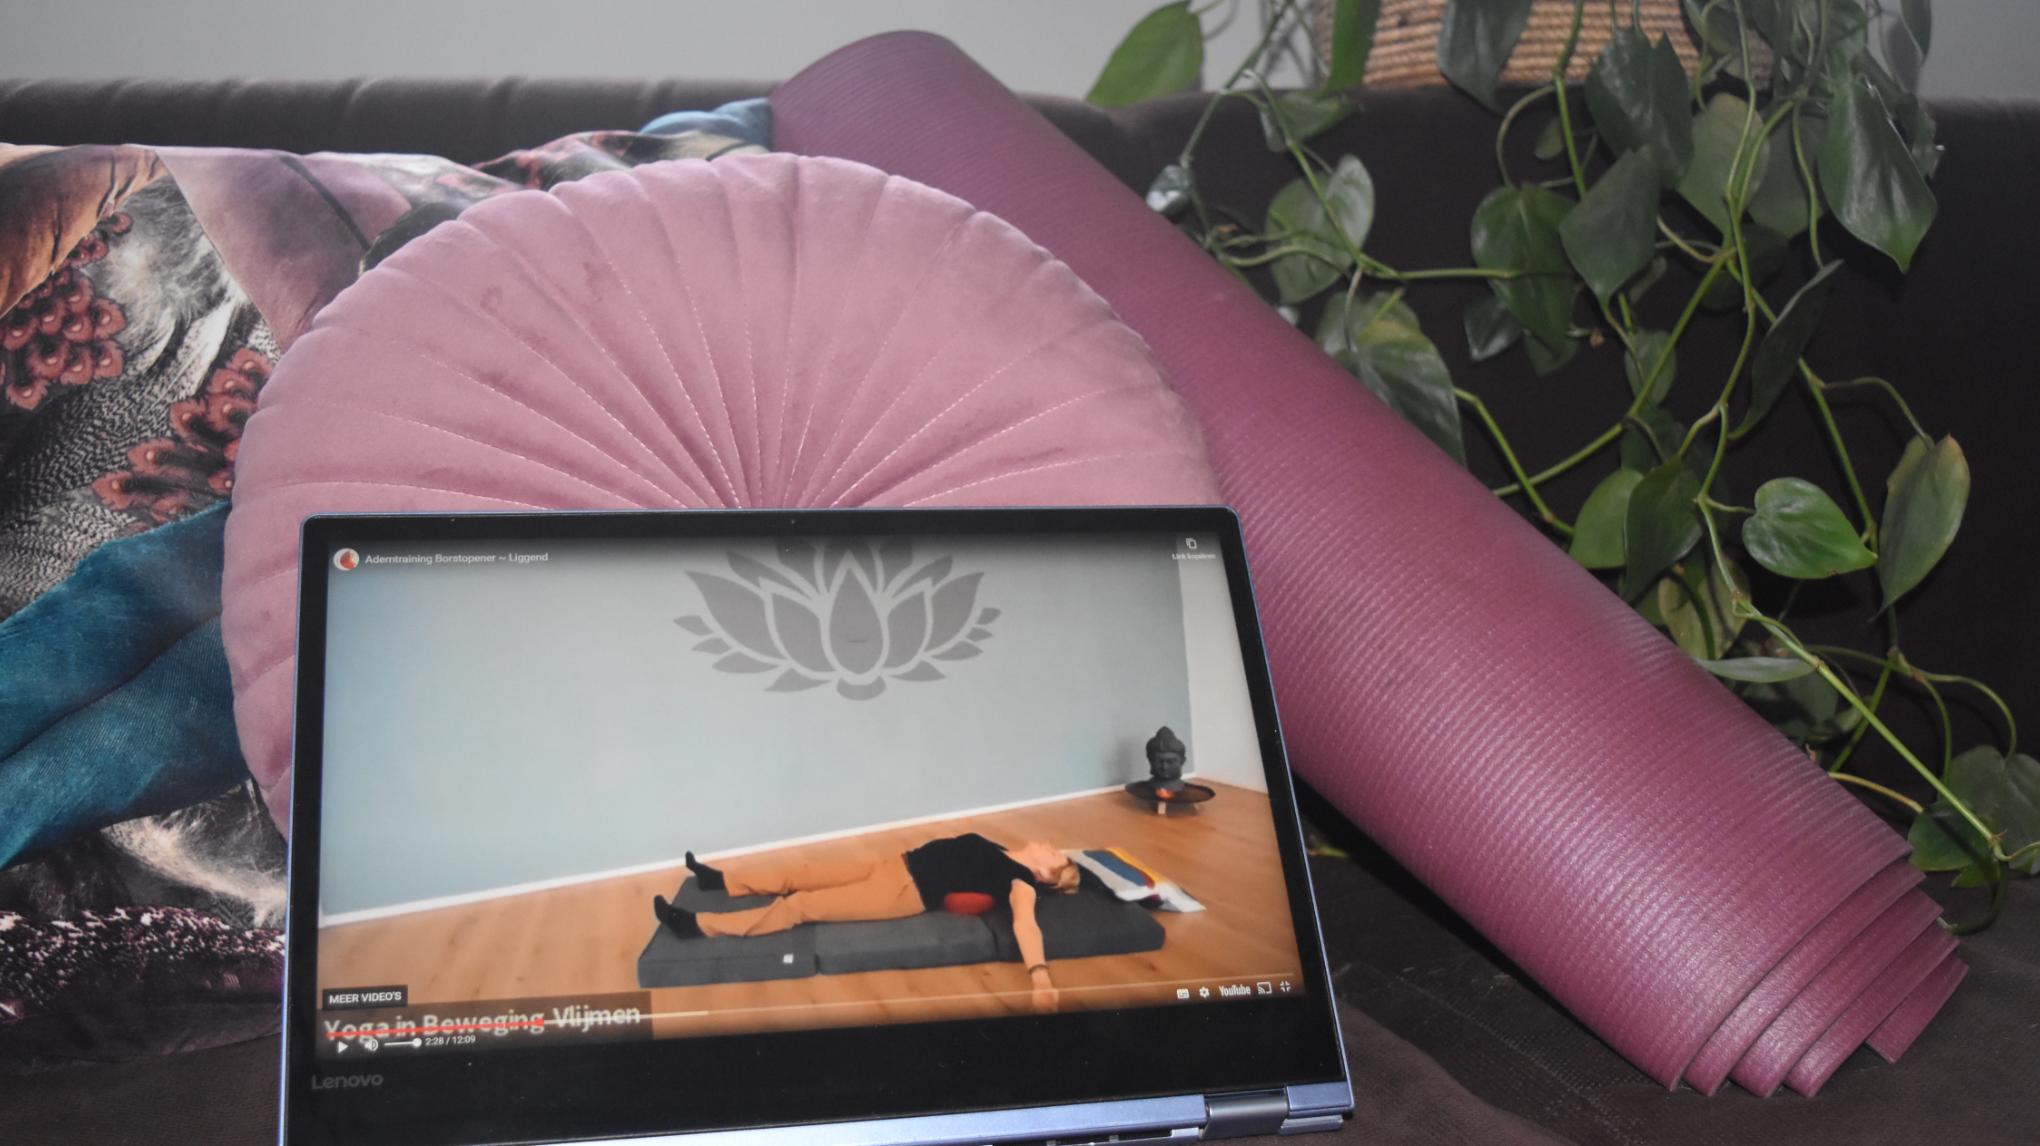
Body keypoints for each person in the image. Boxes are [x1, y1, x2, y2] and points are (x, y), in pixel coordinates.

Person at [654, 834, 1081, 1013]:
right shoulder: (1002, 849)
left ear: (1045, 874)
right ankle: (720, 881)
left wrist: (1039, 976)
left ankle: (698, 925)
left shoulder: (1021, 881)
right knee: (802, 871)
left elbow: (1026, 925)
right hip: (893, 863)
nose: (1050, 844)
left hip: (902, 891)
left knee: (801, 905)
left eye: (1055, 854)